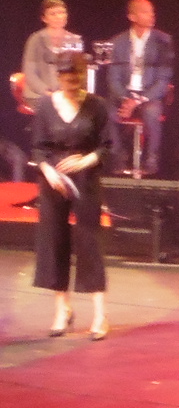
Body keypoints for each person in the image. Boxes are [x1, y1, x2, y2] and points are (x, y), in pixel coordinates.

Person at [32, 53, 114, 340]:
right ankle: (62, 308)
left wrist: (86, 161)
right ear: (59, 76)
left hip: (85, 177)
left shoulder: (96, 106)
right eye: (67, 76)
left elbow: (107, 146)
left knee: (89, 240)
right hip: (54, 180)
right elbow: (38, 148)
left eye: (76, 76)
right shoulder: (45, 106)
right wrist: (47, 171)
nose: (71, 81)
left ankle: (100, 314)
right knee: (54, 239)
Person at [102, 0, 175, 178]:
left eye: (152, 12)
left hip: (149, 94)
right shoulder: (117, 42)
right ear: (132, 17)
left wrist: (138, 100)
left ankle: (151, 158)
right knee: (106, 112)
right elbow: (113, 78)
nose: (151, 16)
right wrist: (125, 99)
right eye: (145, 12)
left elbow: (164, 79)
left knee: (151, 112)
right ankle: (118, 155)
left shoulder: (163, 41)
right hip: (124, 93)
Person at [20, 0, 84, 106]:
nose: (58, 17)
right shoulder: (35, 39)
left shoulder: (75, 40)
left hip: (67, 94)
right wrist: (47, 92)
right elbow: (30, 73)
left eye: (62, 12)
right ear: (44, 18)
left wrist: (68, 92)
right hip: (39, 95)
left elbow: (78, 71)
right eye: (53, 14)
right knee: (54, 108)